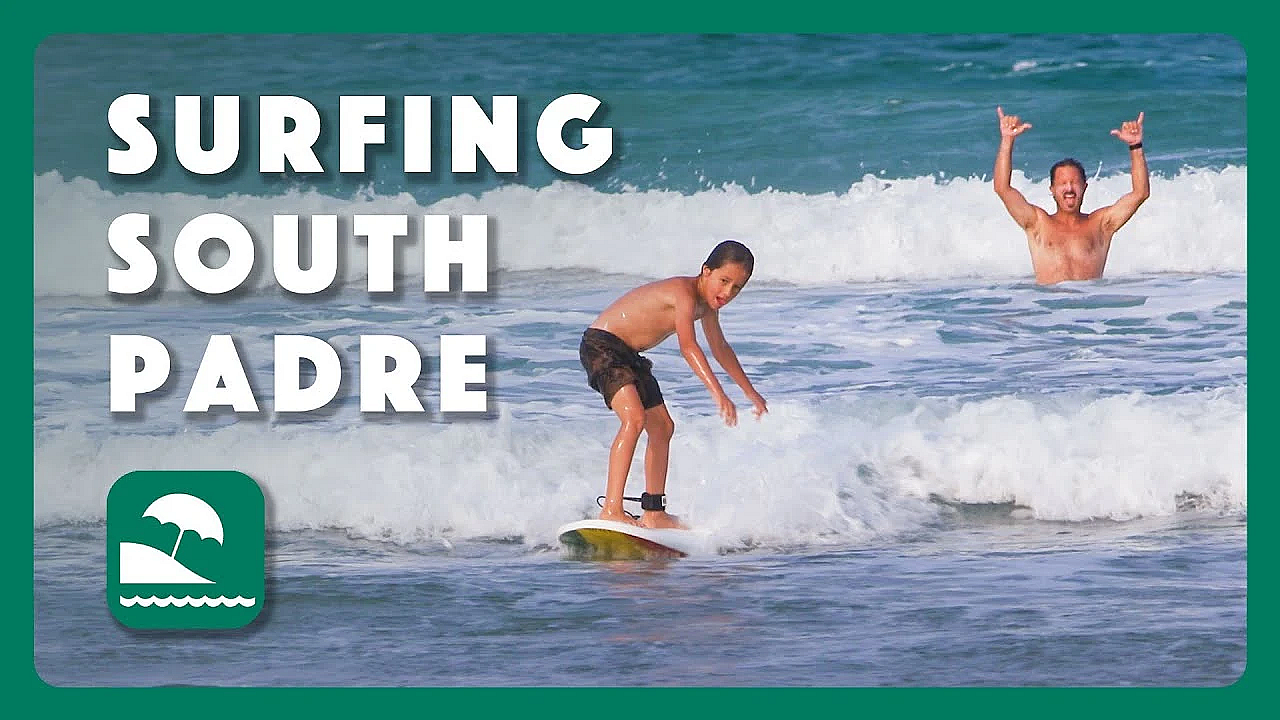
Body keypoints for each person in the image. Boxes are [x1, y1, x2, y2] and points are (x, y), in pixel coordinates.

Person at [578, 240, 768, 529]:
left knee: (663, 427)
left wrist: (750, 393)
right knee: (634, 418)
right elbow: (688, 346)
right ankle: (611, 510)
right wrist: (718, 394)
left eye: (737, 288)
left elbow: (720, 348)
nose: (727, 293)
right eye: (724, 281)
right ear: (706, 271)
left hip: (629, 355)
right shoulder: (684, 294)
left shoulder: (707, 307)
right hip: (602, 346)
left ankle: (654, 512)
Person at [993, 107, 1150, 284]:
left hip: (1090, 306)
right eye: (1062, 183)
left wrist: (1135, 146)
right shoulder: (1038, 223)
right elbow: (1002, 188)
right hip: (1048, 307)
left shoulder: (1101, 225)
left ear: (1085, 187)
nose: (1069, 188)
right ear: (1052, 189)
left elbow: (1140, 193)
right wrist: (1007, 140)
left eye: (1075, 182)